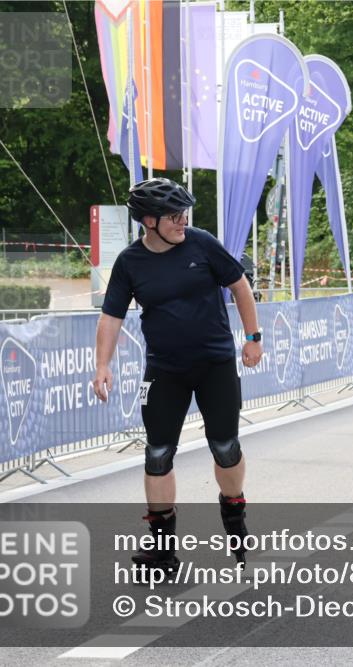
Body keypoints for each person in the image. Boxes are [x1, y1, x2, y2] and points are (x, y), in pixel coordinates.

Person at [93, 177, 264, 571]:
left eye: (184, 213)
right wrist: (102, 365)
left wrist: (253, 337)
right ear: (148, 221)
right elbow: (111, 315)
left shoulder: (201, 243)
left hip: (215, 364)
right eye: (174, 215)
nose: (182, 221)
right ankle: (162, 547)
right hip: (164, 369)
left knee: (224, 447)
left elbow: (239, 285)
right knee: (157, 453)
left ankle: (235, 518)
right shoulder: (130, 262)